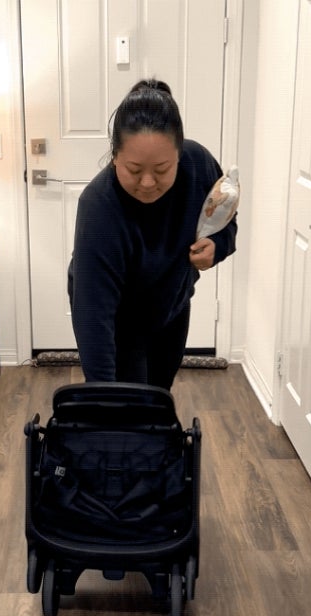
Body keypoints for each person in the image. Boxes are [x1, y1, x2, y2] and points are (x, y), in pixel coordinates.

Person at [68, 79, 237, 390]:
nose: (147, 182)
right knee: (126, 403)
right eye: (134, 170)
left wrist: (218, 245)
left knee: (158, 394)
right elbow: (93, 317)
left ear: (179, 154)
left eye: (162, 169)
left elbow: (226, 219)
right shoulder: (98, 207)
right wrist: (102, 399)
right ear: (115, 155)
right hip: (118, 318)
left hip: (171, 305)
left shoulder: (198, 164)